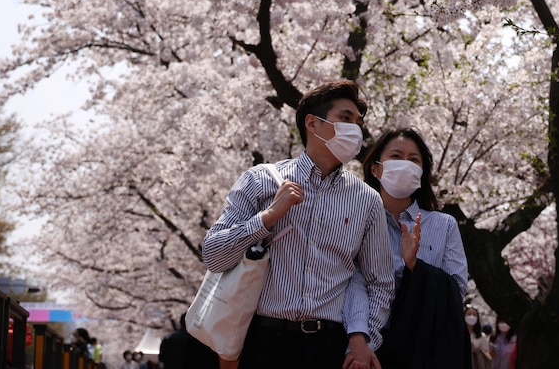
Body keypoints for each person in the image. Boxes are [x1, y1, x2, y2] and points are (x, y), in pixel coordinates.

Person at [201, 80, 395, 369]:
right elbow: (213, 255)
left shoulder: (367, 200)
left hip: (328, 345)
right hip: (263, 341)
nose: (355, 129)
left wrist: (362, 342)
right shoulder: (260, 180)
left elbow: (378, 282)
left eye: (358, 122)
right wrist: (267, 217)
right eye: (345, 118)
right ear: (312, 124)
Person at [344, 127, 470, 369]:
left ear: (422, 173)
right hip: (359, 346)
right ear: (375, 168)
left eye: (413, 160)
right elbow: (350, 280)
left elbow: (457, 289)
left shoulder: (443, 225)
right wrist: (359, 340)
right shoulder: (355, 220)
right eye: (396, 156)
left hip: (420, 352)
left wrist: (416, 267)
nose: (405, 165)